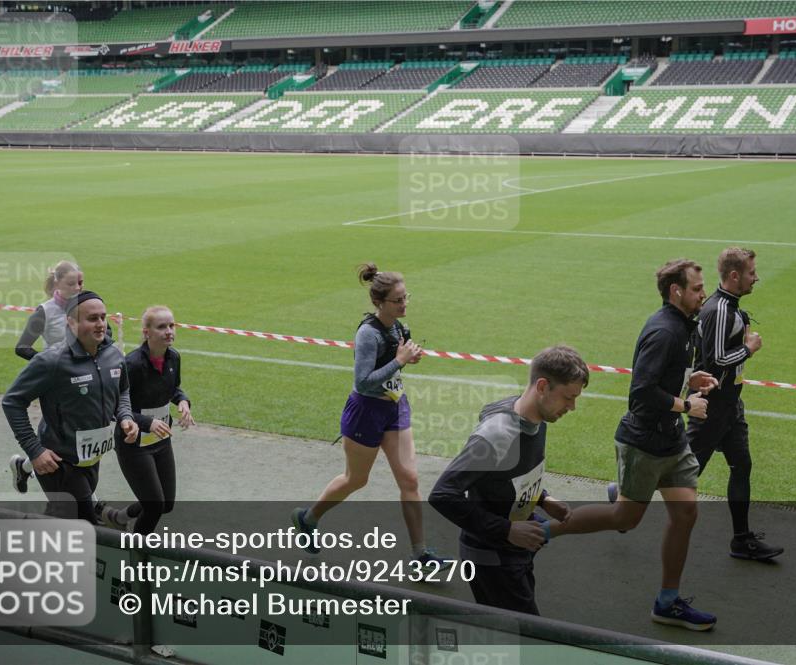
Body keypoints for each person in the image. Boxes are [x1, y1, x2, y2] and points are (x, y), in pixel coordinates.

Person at [548, 259, 720, 631]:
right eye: (696, 288)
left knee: (686, 513)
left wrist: (690, 380)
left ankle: (667, 602)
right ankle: (543, 531)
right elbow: (641, 391)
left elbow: (664, 377)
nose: (703, 293)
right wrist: (687, 405)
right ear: (676, 291)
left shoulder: (687, 326)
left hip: (671, 441)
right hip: (644, 442)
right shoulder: (665, 331)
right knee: (625, 519)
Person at [292, 263, 450, 568]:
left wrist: (408, 359)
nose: (405, 304)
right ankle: (308, 518)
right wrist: (399, 361)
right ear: (379, 302)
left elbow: (393, 364)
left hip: (395, 408)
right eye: (398, 300)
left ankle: (420, 555)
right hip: (366, 412)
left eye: (407, 297)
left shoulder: (398, 327)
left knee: (410, 479)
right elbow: (363, 380)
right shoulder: (368, 333)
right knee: (356, 479)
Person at [429, 345, 587, 615]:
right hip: (492, 558)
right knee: (525, 639)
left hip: (514, 550)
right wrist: (507, 530)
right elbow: (443, 495)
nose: (572, 407)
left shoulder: (537, 417)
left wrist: (543, 498)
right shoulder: (497, 435)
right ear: (542, 386)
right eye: (568, 397)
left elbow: (509, 476)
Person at [2, 291, 138, 523]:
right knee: (86, 522)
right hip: (57, 461)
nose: (100, 324)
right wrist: (35, 450)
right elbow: (12, 401)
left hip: (91, 460)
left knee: (65, 520)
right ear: (71, 322)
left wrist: (125, 415)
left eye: (103, 317)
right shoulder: (51, 361)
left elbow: (123, 390)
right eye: (92, 318)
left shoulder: (114, 355)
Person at [687, 247, 782, 561]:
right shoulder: (719, 310)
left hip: (730, 405)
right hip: (711, 407)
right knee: (685, 474)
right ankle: (623, 498)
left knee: (742, 465)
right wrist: (749, 349)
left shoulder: (732, 308)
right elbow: (715, 362)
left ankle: (741, 540)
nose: (756, 278)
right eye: (751, 273)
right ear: (733, 276)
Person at [99, 306, 194, 534]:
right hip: (134, 443)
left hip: (160, 441)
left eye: (172, 326)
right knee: (154, 506)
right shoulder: (132, 364)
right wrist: (146, 422)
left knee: (166, 504)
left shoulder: (173, 357)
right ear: (146, 332)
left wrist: (183, 401)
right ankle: (137, 557)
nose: (169, 331)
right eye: (162, 327)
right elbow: (114, 407)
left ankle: (120, 518)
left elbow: (173, 389)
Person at [15, 260, 84, 361]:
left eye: (80, 282)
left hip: (85, 370)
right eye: (71, 284)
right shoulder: (44, 312)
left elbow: (105, 333)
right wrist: (48, 363)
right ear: (57, 284)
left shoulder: (88, 304)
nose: (78, 288)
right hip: (58, 373)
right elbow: (22, 348)